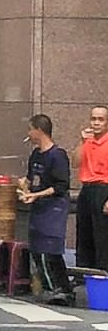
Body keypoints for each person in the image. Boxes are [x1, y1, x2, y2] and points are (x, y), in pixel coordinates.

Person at [18, 114, 74, 306]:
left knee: (50, 249)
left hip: (54, 207)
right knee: (36, 248)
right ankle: (51, 287)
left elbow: (61, 186)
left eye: (30, 129)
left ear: (39, 130)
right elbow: (30, 179)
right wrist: (24, 188)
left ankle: (61, 289)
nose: (29, 133)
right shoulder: (35, 154)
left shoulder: (58, 155)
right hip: (39, 207)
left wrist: (38, 194)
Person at [72, 105, 108, 272]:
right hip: (87, 188)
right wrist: (82, 142)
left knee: (101, 236)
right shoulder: (88, 141)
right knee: (84, 233)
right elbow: (75, 162)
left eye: (100, 120)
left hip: (103, 189)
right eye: (93, 119)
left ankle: (102, 272)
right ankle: (83, 272)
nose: (96, 123)